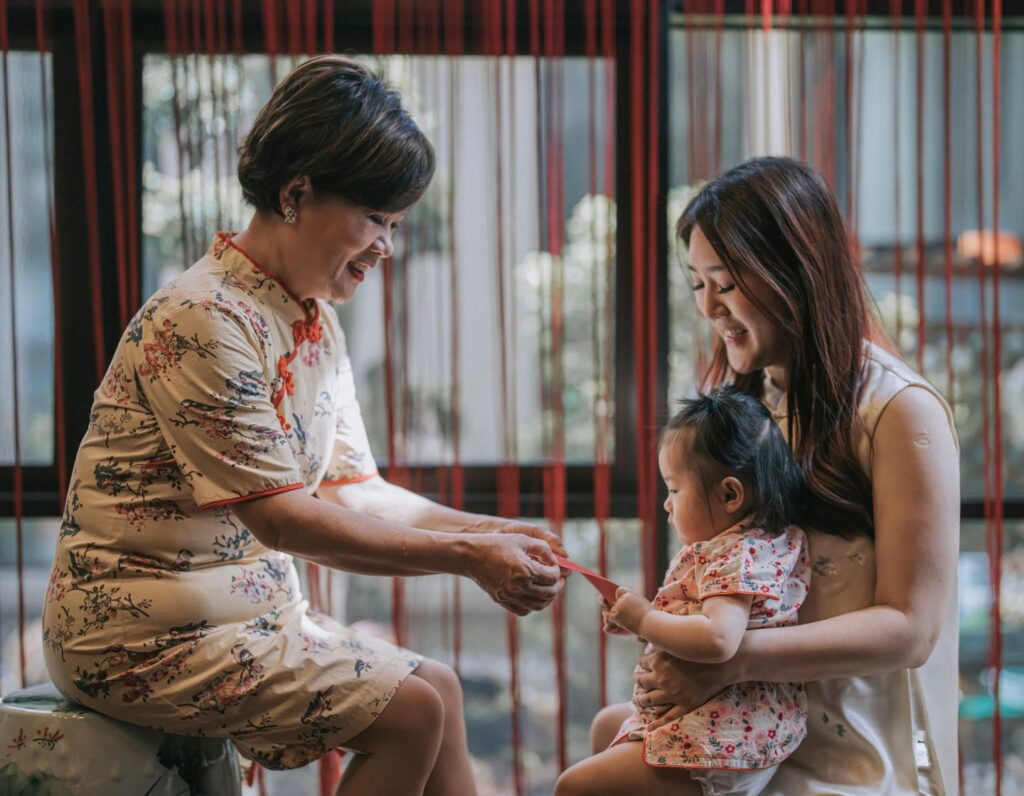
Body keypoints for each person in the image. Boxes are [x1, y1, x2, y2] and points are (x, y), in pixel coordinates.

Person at [41, 55, 566, 796]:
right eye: (377, 219)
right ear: (296, 194)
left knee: (440, 690)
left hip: (243, 621)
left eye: (396, 223)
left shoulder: (310, 320)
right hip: (136, 635)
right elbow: (283, 520)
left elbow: (358, 491)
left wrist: (491, 532)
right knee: (414, 711)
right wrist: (468, 558)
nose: (387, 246)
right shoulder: (202, 317)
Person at [588, 157, 960, 795]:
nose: (710, 309)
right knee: (606, 731)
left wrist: (725, 662)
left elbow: (911, 628)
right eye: (697, 284)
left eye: (726, 284)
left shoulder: (899, 412)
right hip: (754, 723)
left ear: (794, 273)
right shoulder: (745, 407)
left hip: (855, 751)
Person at [557, 386, 810, 796]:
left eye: (674, 490)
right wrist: (644, 627)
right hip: (736, 715)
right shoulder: (757, 541)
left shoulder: (736, 553)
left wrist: (645, 618)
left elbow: (718, 638)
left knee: (574, 786)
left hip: (726, 730)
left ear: (730, 494)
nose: (666, 506)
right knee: (606, 723)